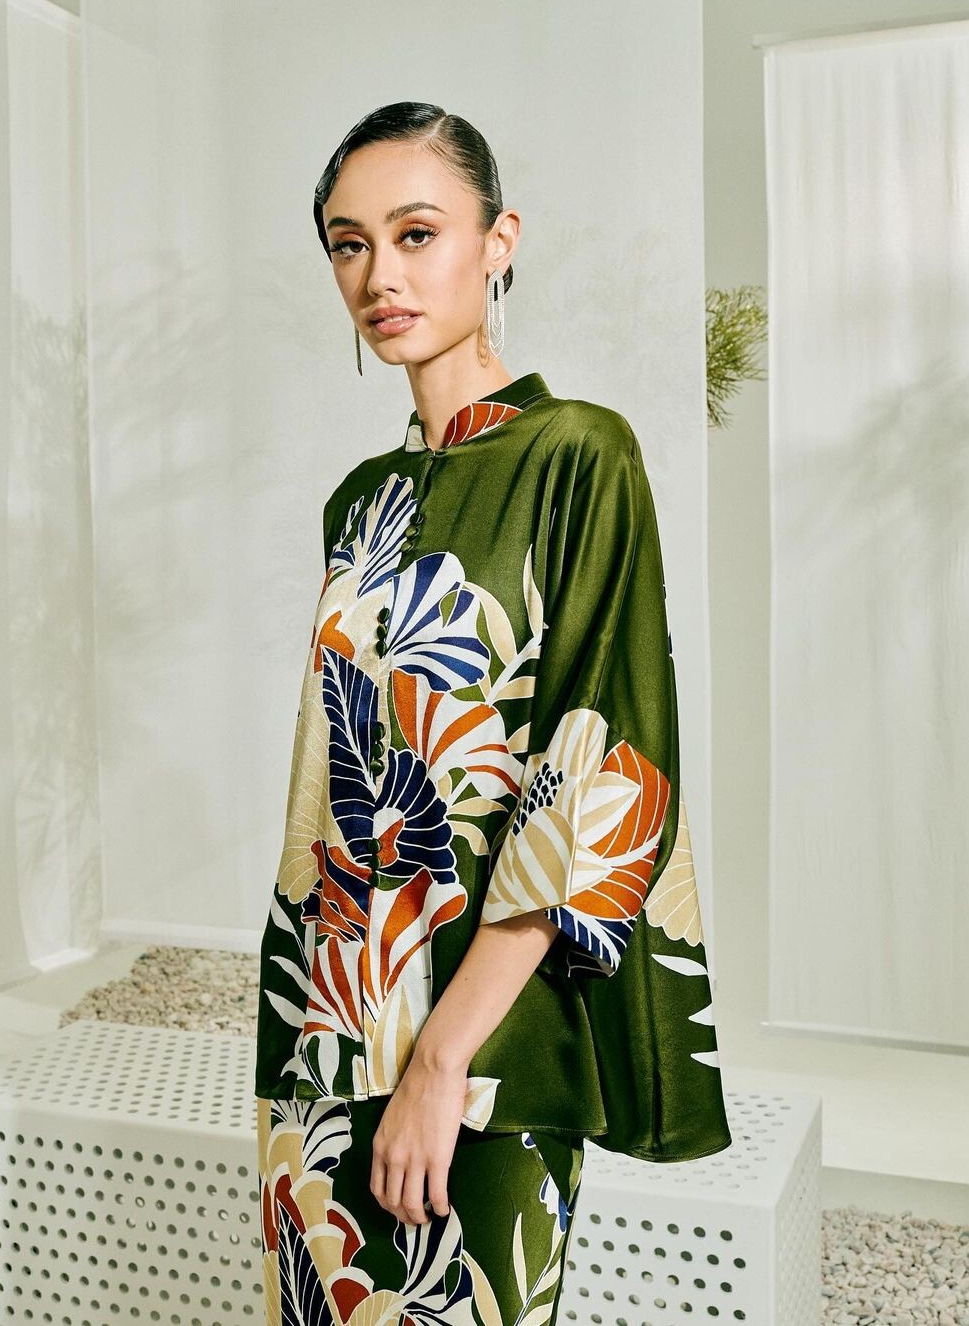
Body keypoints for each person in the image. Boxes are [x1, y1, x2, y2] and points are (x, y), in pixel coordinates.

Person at [253, 100, 732, 1326]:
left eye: (416, 234)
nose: (380, 274)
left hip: (486, 1048)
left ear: (498, 241)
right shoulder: (360, 501)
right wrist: (316, 1039)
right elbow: (332, 785)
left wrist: (439, 1060)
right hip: (327, 1021)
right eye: (350, 244)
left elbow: (598, 777)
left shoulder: (582, 456)